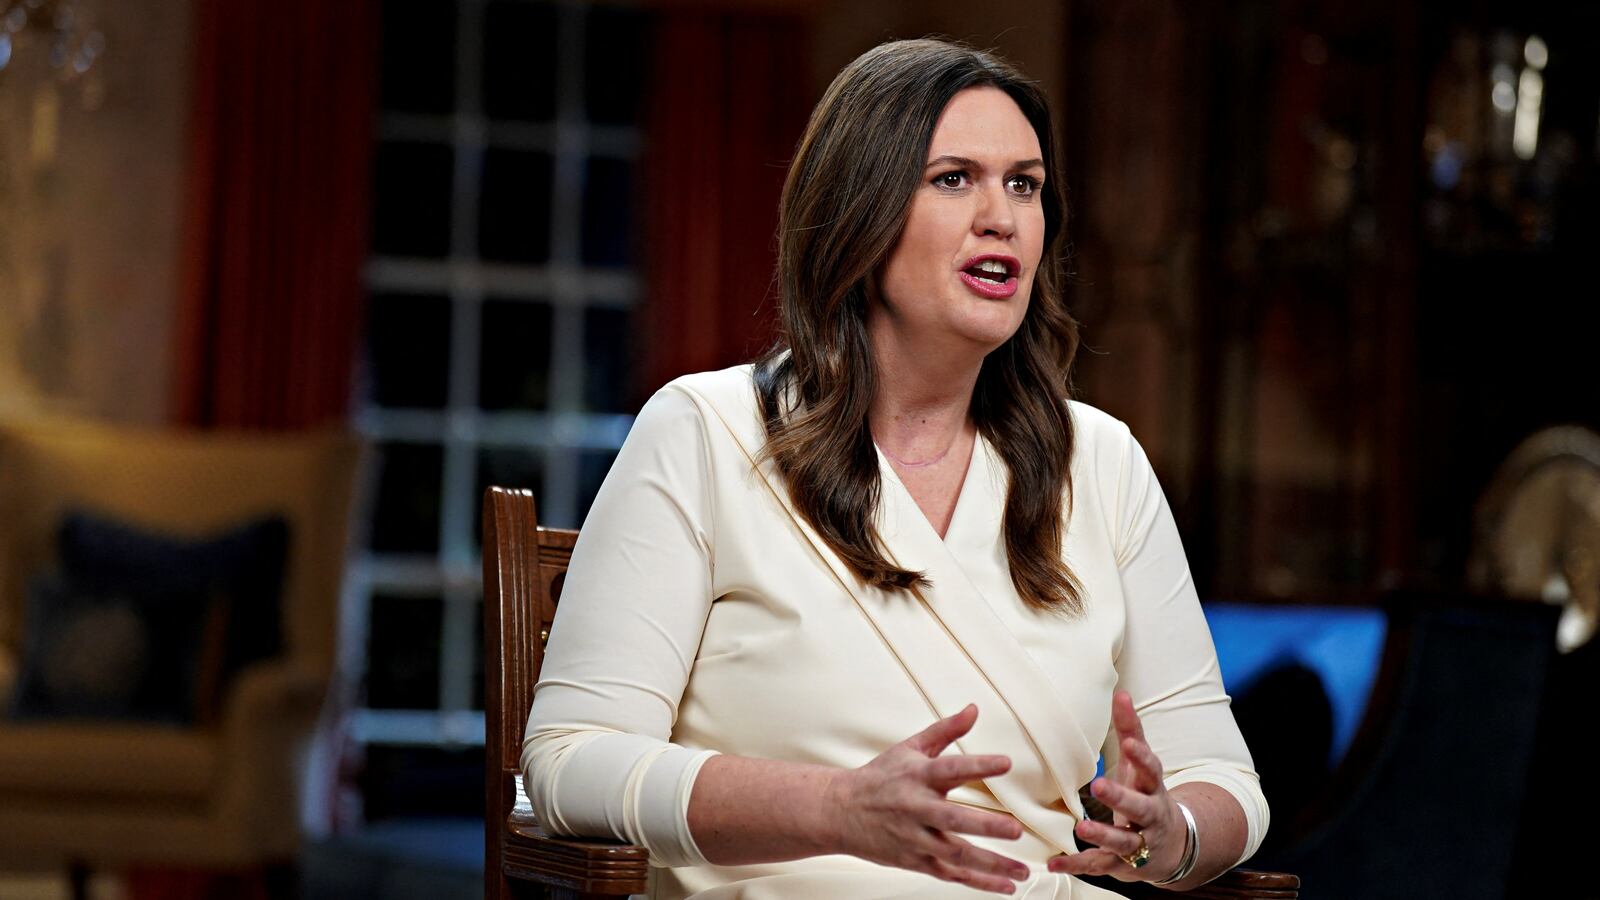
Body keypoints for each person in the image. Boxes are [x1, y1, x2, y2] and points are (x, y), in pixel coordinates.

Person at [522, 38, 1268, 899]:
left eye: (1024, 184)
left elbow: (1229, 788)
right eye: (955, 178)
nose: (1003, 217)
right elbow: (568, 765)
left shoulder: (1100, 463)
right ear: (858, 212)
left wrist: (1168, 838)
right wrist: (834, 808)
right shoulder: (705, 430)